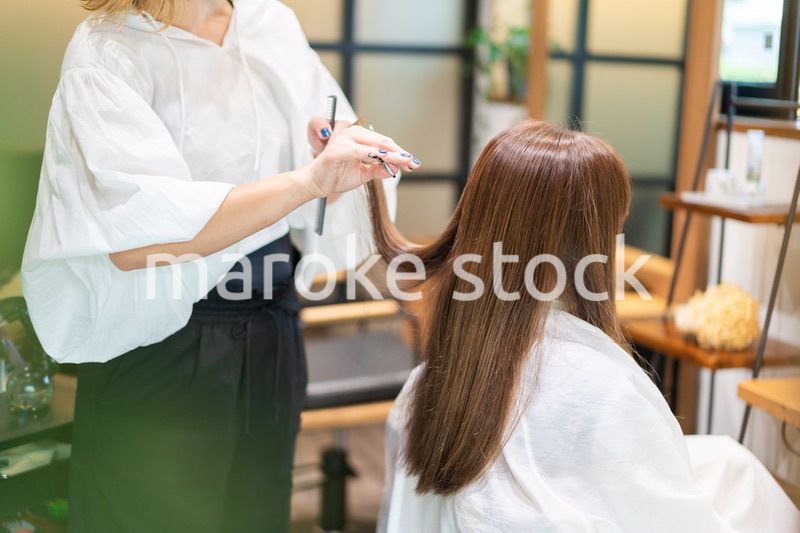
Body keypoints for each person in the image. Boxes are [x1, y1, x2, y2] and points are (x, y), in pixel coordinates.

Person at [21, 0, 419, 531]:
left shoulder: (268, 22)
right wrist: (308, 181)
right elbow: (132, 240)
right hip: (164, 344)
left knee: (256, 513)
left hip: (272, 328)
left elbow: (322, 132)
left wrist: (337, 146)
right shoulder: (108, 49)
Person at [366, 121, 799, 532]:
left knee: (728, 462)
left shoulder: (429, 383)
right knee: (746, 482)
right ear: (591, 245)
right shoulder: (605, 393)